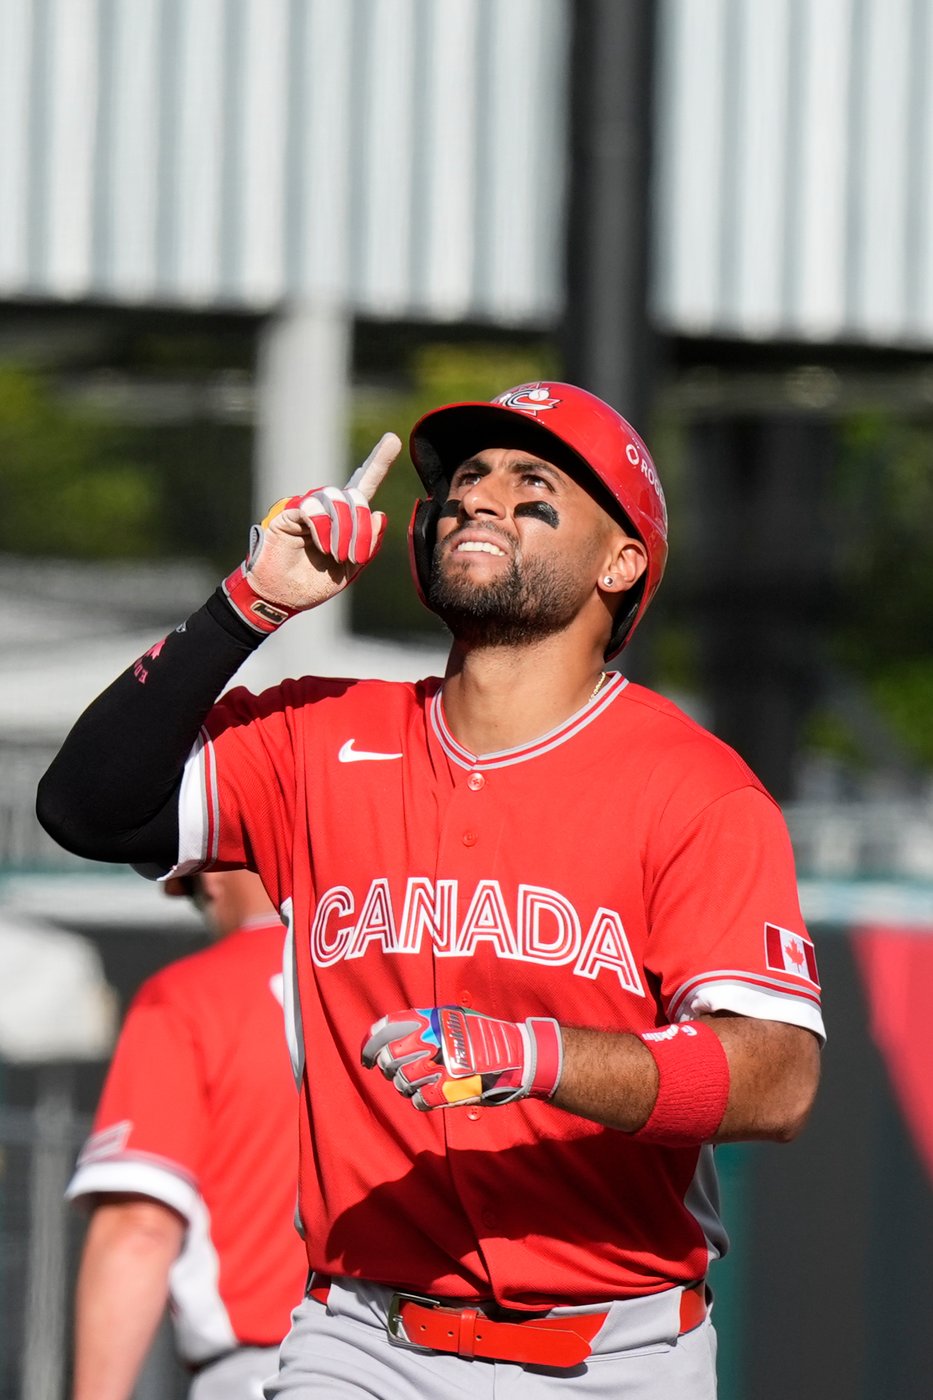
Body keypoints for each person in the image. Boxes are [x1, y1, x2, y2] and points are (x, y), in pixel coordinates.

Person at [39, 380, 824, 1400]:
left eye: (533, 482)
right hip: (360, 1337)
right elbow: (87, 806)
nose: (479, 497)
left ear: (620, 560)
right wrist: (252, 602)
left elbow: (778, 1077)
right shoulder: (318, 736)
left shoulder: (695, 787)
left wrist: (536, 1053)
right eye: (465, 481)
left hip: (618, 1352)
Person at [65, 869, 307, 1400]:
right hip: (458, 1362)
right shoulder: (412, 977)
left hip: (271, 1373)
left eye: (196, 891)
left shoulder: (192, 996)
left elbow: (139, 1228)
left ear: (215, 880)